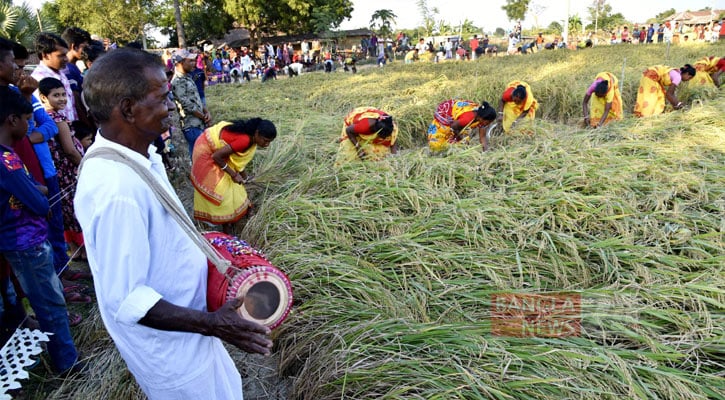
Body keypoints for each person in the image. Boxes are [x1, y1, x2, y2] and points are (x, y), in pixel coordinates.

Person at [75, 48, 273, 400]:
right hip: (173, 353)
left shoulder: (141, 154)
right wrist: (211, 324)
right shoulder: (116, 188)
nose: (170, 107)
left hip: (192, 330)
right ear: (127, 109)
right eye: (162, 98)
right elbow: (127, 299)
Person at [0, 86, 81, 375]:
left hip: (20, 240)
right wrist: (42, 197)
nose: (29, 125)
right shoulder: (6, 159)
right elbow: (36, 201)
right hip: (27, 242)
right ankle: (67, 363)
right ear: (12, 120)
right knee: (50, 305)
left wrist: (36, 190)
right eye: (26, 119)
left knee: (46, 300)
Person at [38, 78, 89, 267]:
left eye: (63, 95)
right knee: (74, 210)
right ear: (44, 98)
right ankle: (83, 250)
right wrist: (83, 166)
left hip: (59, 171)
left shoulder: (47, 117)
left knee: (67, 211)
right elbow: (69, 149)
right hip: (68, 171)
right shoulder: (57, 120)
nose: (61, 99)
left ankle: (75, 249)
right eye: (55, 95)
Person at [190, 119, 276, 230]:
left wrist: (244, 177)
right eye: (265, 140)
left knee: (234, 186)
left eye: (269, 142)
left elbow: (236, 161)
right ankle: (225, 225)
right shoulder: (244, 140)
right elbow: (216, 156)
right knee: (221, 190)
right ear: (257, 133)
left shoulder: (251, 138)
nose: (267, 145)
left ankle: (239, 213)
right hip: (207, 152)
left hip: (218, 154)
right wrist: (234, 175)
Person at [171, 49, 211, 157]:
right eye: (190, 61)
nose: (194, 63)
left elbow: (196, 98)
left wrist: (206, 112)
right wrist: (204, 117)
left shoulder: (187, 77)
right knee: (198, 158)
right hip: (191, 125)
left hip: (199, 123)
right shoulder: (178, 81)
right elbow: (188, 106)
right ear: (181, 63)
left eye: (194, 60)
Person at [31, 32, 77, 123]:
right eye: (61, 55)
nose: (66, 59)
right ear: (45, 55)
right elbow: (45, 115)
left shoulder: (60, 74)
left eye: (66, 54)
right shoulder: (39, 79)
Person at [427, 99, 496, 153]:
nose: (488, 124)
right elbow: (453, 126)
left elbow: (483, 137)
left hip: (457, 124)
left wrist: (485, 151)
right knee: (437, 146)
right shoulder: (468, 118)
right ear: (482, 118)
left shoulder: (481, 118)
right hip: (446, 120)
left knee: (460, 143)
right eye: (488, 122)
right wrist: (460, 137)